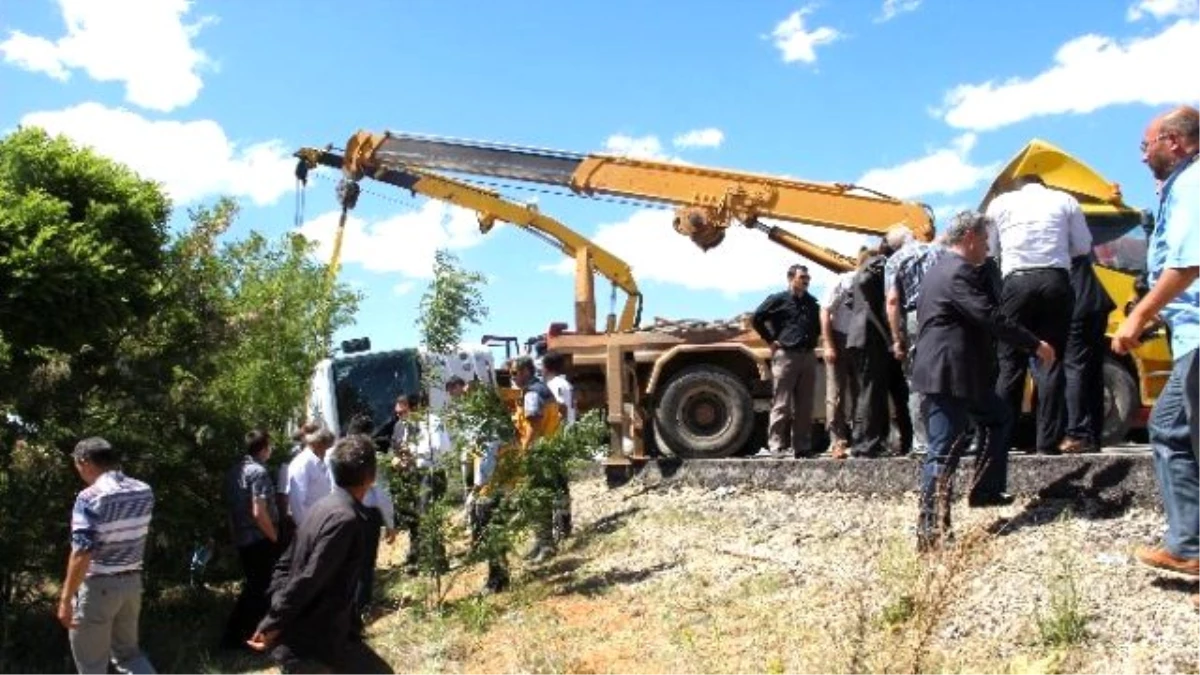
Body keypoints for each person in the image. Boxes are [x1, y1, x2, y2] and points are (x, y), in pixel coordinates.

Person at [911, 211, 1054, 551]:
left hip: (962, 374)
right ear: (971, 237)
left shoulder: (938, 271)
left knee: (999, 417)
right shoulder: (958, 272)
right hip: (949, 374)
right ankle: (930, 532)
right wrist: (1034, 343)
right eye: (986, 240)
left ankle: (985, 490)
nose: (988, 248)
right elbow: (988, 316)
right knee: (943, 451)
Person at [1112, 106, 1200, 590]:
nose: (1143, 157)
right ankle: (1187, 545)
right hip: (1189, 334)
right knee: (1169, 427)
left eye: (1146, 146)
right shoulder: (1178, 188)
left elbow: (1188, 263)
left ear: (1173, 141)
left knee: (1175, 431)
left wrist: (1139, 315)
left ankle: (1190, 546)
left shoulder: (1193, 184)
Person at [248, 434, 378, 671]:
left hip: (318, 635)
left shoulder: (322, 506)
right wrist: (274, 622)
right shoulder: (345, 520)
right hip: (311, 646)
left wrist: (277, 610)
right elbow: (310, 577)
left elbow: (284, 565)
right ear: (371, 476)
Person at [986, 174, 1093, 454]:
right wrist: (1058, 251)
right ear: (1045, 185)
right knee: (1051, 360)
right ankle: (1047, 441)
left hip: (1016, 281)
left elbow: (990, 248)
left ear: (1019, 186)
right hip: (1056, 280)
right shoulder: (1065, 200)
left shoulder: (1001, 203)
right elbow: (1083, 246)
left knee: (1009, 362)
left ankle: (1001, 441)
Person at [59, 437, 157, 675]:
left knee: (92, 666)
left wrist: (65, 598)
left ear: (85, 462)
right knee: (130, 656)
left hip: (98, 587)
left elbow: (82, 551)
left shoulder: (89, 497)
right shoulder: (143, 490)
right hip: (132, 583)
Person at [885, 226, 947, 456]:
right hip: (944, 312)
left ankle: (922, 443)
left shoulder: (895, 260)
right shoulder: (938, 251)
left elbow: (892, 301)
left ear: (894, 245)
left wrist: (896, 338)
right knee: (947, 374)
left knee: (915, 380)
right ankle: (951, 436)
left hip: (915, 315)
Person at [848, 243, 913, 457]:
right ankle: (868, 444)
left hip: (863, 335)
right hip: (872, 335)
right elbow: (888, 298)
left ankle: (865, 441)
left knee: (870, 390)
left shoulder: (860, 272)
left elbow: (851, 300)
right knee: (872, 391)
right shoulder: (879, 264)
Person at [751, 264, 821, 457]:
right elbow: (757, 318)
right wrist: (770, 339)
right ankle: (776, 446)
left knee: (805, 405)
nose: (806, 281)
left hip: (807, 355)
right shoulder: (778, 300)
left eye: (808, 278)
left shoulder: (812, 303)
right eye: (802, 277)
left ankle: (802, 447)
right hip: (786, 355)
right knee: (781, 403)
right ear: (791, 278)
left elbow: (817, 327)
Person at [221, 429, 280, 651]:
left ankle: (248, 636)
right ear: (264, 448)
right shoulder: (258, 472)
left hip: (243, 538)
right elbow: (259, 511)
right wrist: (273, 536)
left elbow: (230, 511)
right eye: (270, 446)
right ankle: (239, 637)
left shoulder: (235, 471)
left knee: (255, 586)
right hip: (259, 538)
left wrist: (233, 536)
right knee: (260, 588)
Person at [1061, 253, 1116, 453]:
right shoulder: (1071, 234)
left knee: (1074, 368)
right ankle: (1093, 436)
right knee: (1092, 369)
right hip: (1095, 302)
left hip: (1077, 302)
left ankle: (1077, 434)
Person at [819, 264, 860, 459]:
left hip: (861, 340)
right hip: (840, 336)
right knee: (836, 393)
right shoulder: (842, 280)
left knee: (861, 393)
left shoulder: (874, 281)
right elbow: (825, 310)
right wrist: (828, 343)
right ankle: (837, 441)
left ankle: (861, 439)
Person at [540, 350, 575, 542]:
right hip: (564, 436)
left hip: (556, 438)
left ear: (545, 367)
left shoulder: (554, 385)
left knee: (556, 484)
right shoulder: (565, 383)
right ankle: (564, 525)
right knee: (561, 484)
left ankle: (562, 528)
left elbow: (559, 409)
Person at [285, 427, 335, 528]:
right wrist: (305, 528)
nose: (327, 452)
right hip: (311, 526)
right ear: (317, 445)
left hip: (323, 523)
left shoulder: (319, 462)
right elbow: (297, 501)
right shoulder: (302, 464)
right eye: (326, 447)